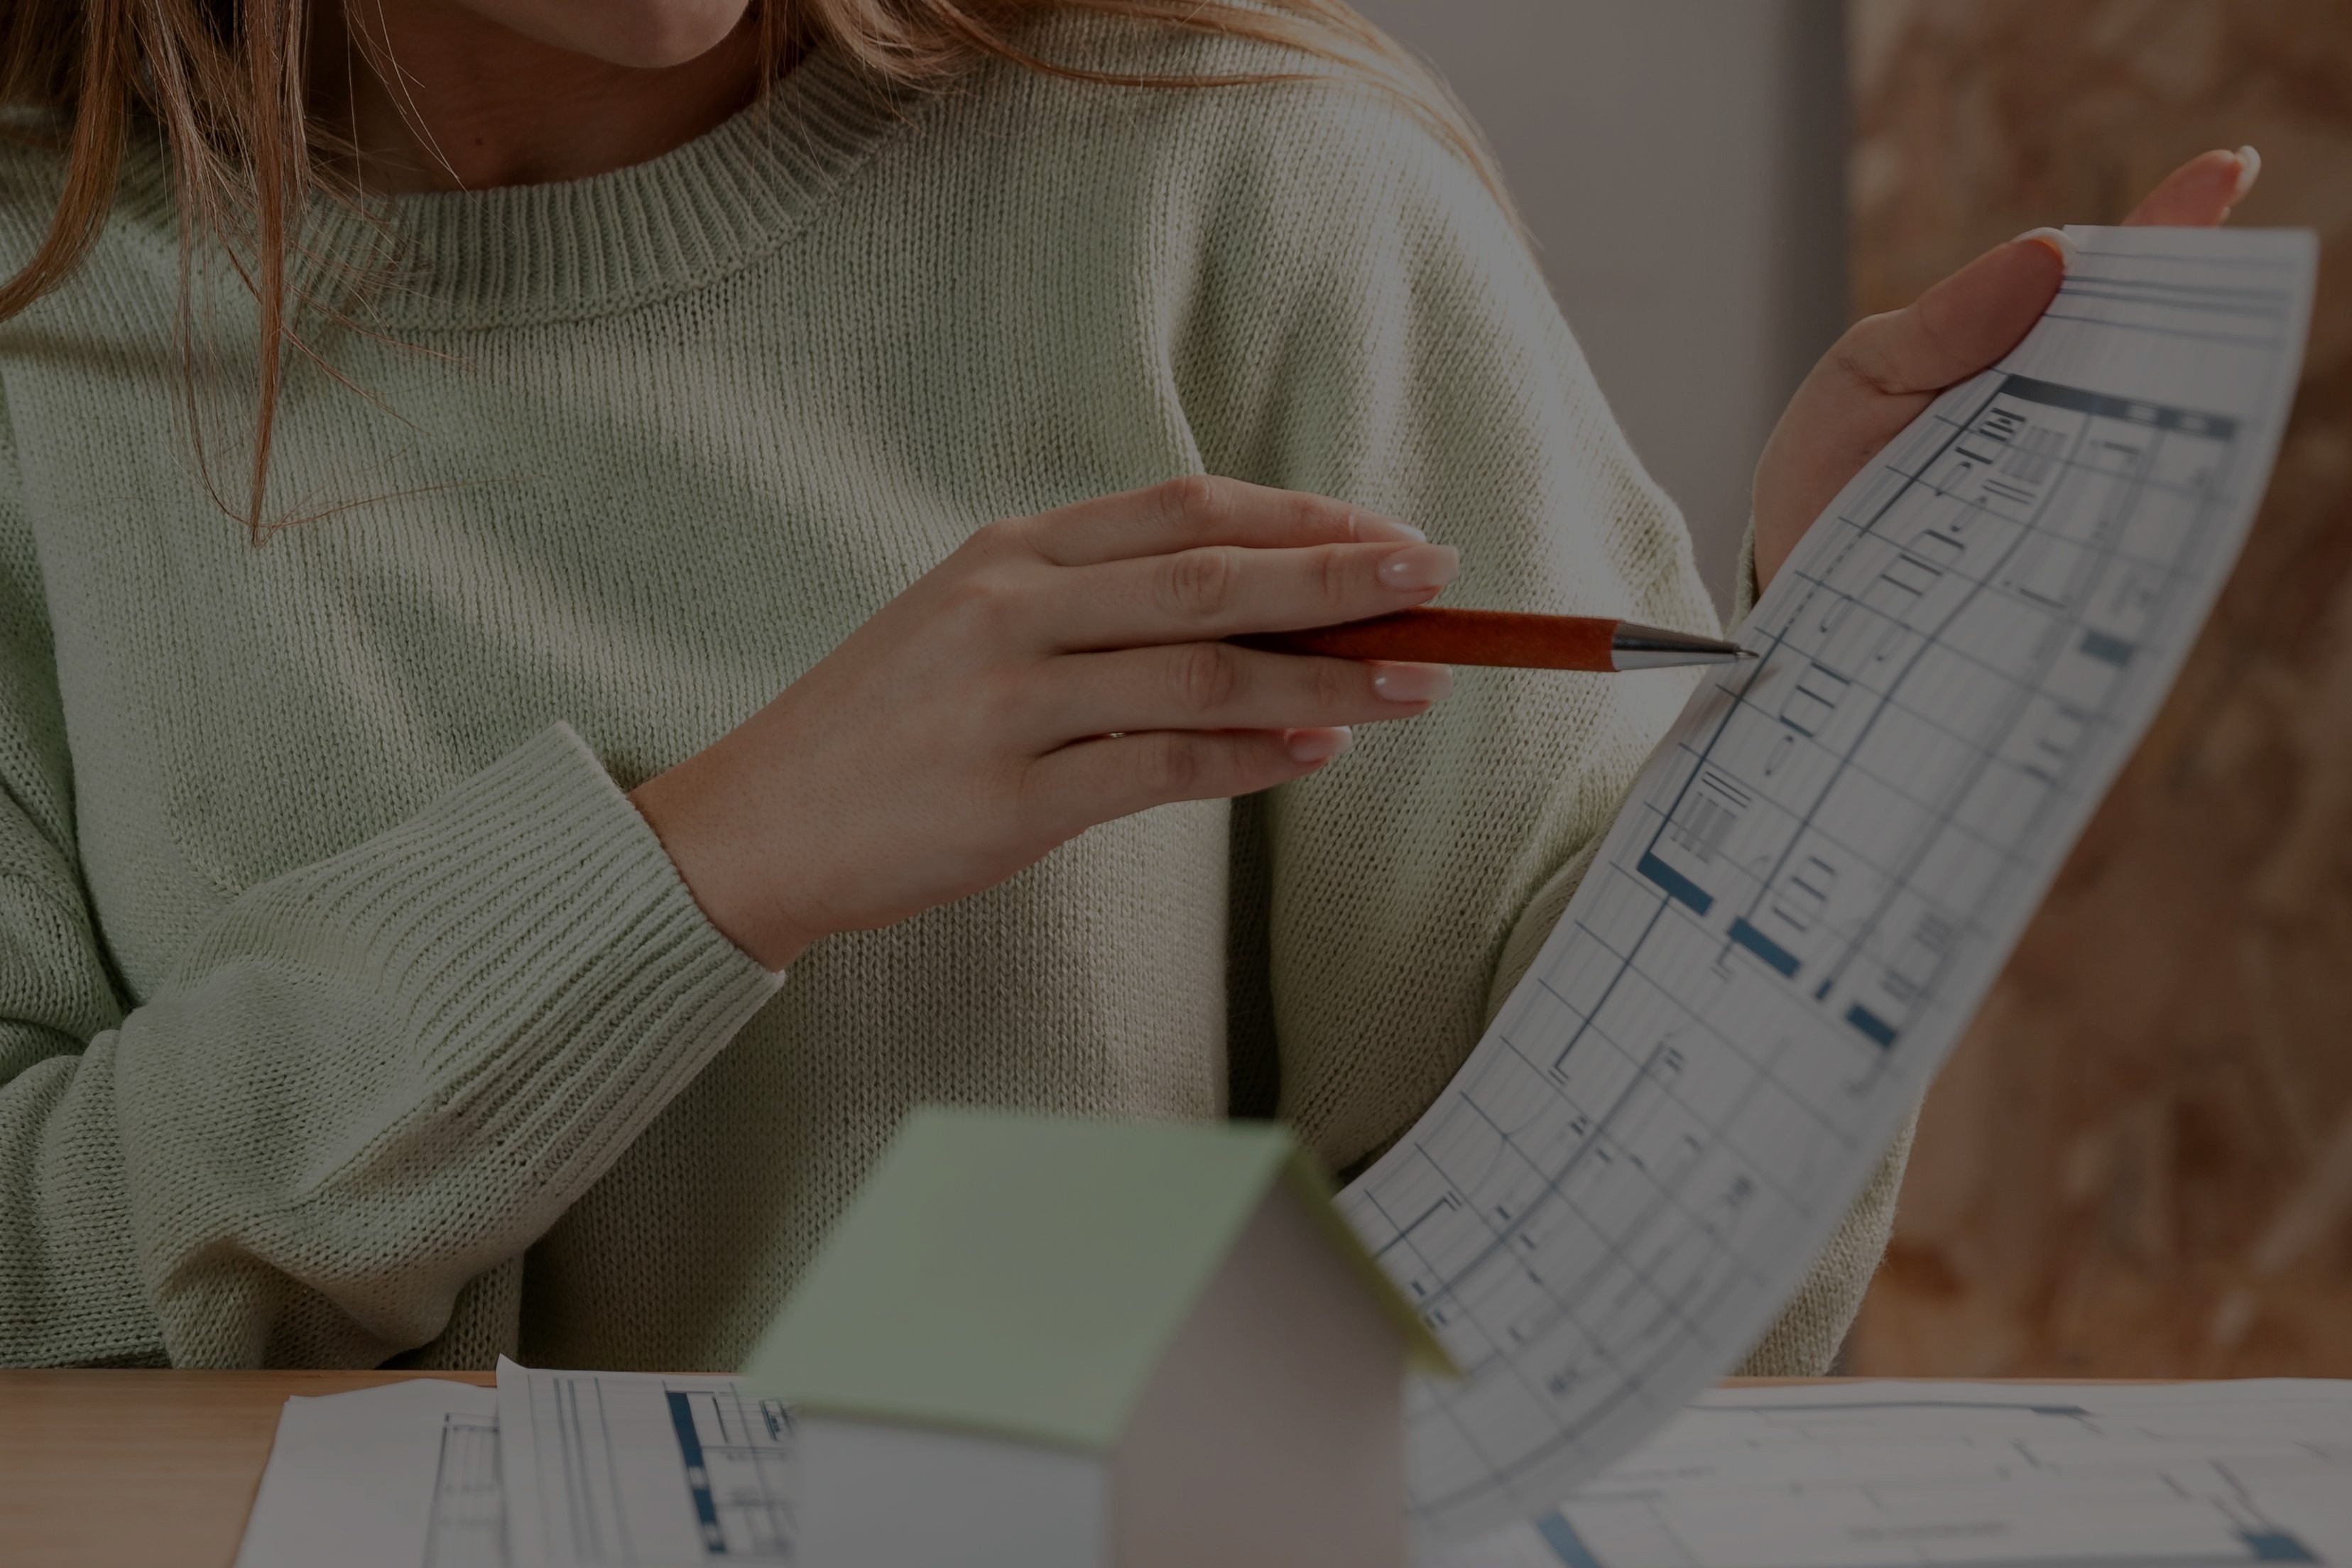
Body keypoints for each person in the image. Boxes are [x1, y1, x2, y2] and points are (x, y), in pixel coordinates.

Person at [0, 0, 2250, 1371]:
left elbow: (1608, 1310)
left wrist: (1850, 751)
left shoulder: (1260, 187)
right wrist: (706, 861)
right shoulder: (38, 342)